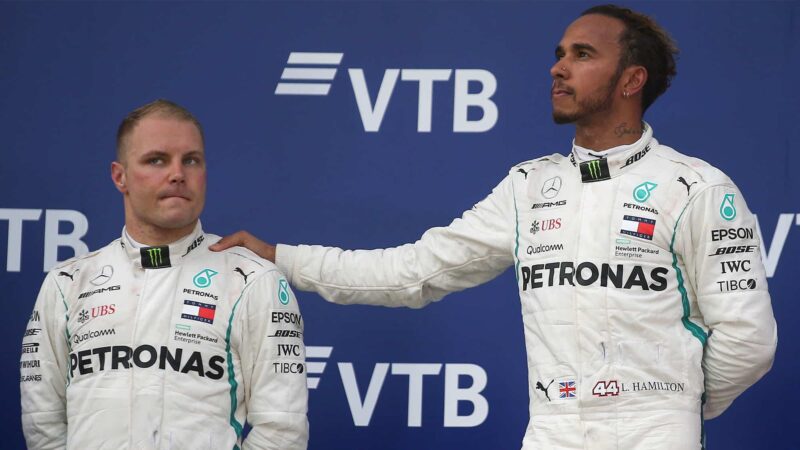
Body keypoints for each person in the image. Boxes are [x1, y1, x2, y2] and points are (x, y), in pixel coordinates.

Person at [211, 5, 777, 450]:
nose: (558, 67)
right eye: (559, 54)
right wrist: (281, 255)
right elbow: (413, 272)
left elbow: (747, 343)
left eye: (582, 54)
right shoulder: (528, 188)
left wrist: (667, 403)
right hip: (551, 432)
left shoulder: (697, 188)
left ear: (631, 80)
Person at [20, 99, 308, 450]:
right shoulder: (68, 282)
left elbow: (283, 430)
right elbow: (42, 422)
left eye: (191, 160)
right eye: (156, 160)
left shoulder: (252, 280)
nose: (177, 174)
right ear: (119, 176)